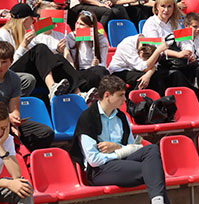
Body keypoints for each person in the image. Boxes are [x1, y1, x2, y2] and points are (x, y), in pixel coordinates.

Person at [71, 75, 170, 204]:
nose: (124, 99)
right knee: (153, 171)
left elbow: (132, 148)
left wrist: (116, 148)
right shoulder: (88, 118)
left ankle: (158, 201)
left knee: (152, 149)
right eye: (120, 95)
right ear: (107, 95)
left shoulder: (122, 117)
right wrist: (119, 153)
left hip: (123, 163)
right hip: (100, 170)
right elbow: (94, 160)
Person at [0, 41, 55, 151]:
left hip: (7, 121)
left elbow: (15, 109)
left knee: (45, 132)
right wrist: (6, 121)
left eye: (4, 62)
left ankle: (28, 159)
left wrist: (15, 121)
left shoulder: (14, 78)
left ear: (11, 62)